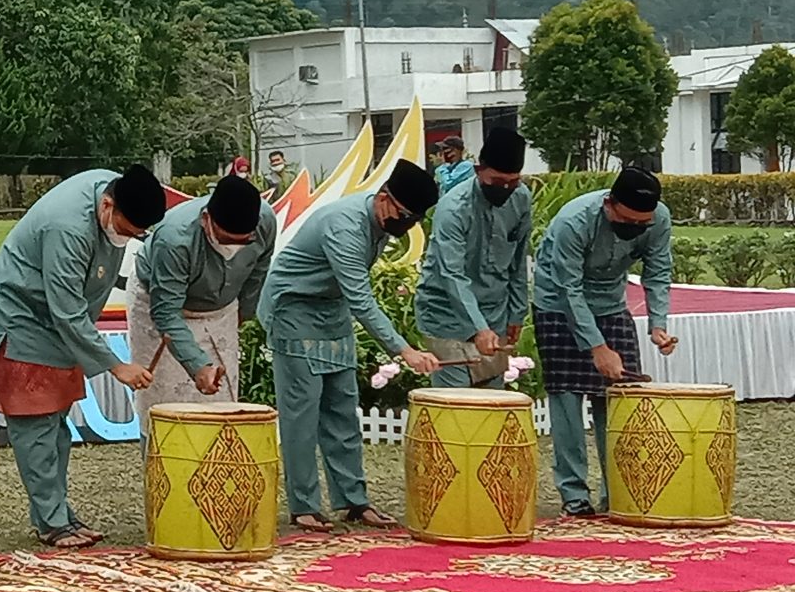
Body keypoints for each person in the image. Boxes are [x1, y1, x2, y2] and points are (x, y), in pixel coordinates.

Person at [0, 166, 163, 548]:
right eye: (125, 230)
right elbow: (67, 309)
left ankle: (58, 514)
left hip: (58, 323)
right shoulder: (68, 228)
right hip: (21, 316)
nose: (128, 238)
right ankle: (52, 522)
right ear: (107, 205)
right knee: (35, 424)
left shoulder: (114, 191)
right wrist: (116, 365)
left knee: (56, 427)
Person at [260, 160, 441, 533]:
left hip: (331, 311)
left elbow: (350, 298)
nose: (407, 225)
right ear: (385, 199)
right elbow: (361, 298)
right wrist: (403, 350)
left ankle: (353, 501)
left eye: (415, 219)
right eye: (405, 215)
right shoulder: (344, 225)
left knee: (343, 412)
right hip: (294, 310)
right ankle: (304, 505)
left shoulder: (380, 223)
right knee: (302, 417)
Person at [532, 165, 678, 516]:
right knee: (567, 399)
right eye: (628, 221)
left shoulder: (657, 219)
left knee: (618, 402)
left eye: (643, 223)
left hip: (612, 304)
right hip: (557, 304)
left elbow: (658, 270)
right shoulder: (574, 221)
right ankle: (574, 495)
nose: (636, 229)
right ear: (609, 205)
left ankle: (619, 493)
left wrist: (658, 324)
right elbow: (569, 289)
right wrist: (597, 347)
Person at [128, 173, 276, 415]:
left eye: (244, 241)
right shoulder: (174, 239)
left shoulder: (266, 220)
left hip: (222, 308)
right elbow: (166, 312)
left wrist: (243, 312)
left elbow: (259, 269)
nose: (233, 248)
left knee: (224, 402)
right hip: (163, 304)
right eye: (226, 239)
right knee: (162, 405)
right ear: (206, 219)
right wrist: (198, 365)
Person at [415, 127, 531, 388]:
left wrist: (516, 314)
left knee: (492, 402)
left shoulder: (521, 199)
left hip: (495, 314)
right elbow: (451, 275)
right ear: (479, 171)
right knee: (459, 405)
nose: (505, 188)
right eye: (497, 181)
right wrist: (478, 328)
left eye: (512, 182)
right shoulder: (453, 209)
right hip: (447, 315)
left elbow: (518, 262)